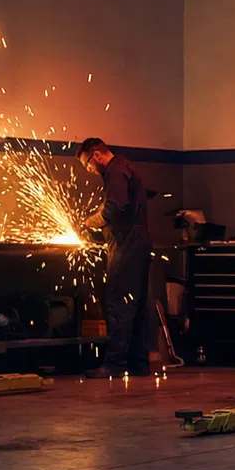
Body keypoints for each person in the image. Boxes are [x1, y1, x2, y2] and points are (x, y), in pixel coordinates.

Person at [77, 137, 155, 378]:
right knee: (137, 304)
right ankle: (139, 363)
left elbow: (114, 208)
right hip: (138, 243)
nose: (89, 169)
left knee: (119, 304)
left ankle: (114, 364)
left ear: (96, 155)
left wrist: (92, 221)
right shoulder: (125, 166)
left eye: (88, 164)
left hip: (126, 245)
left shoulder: (115, 171)